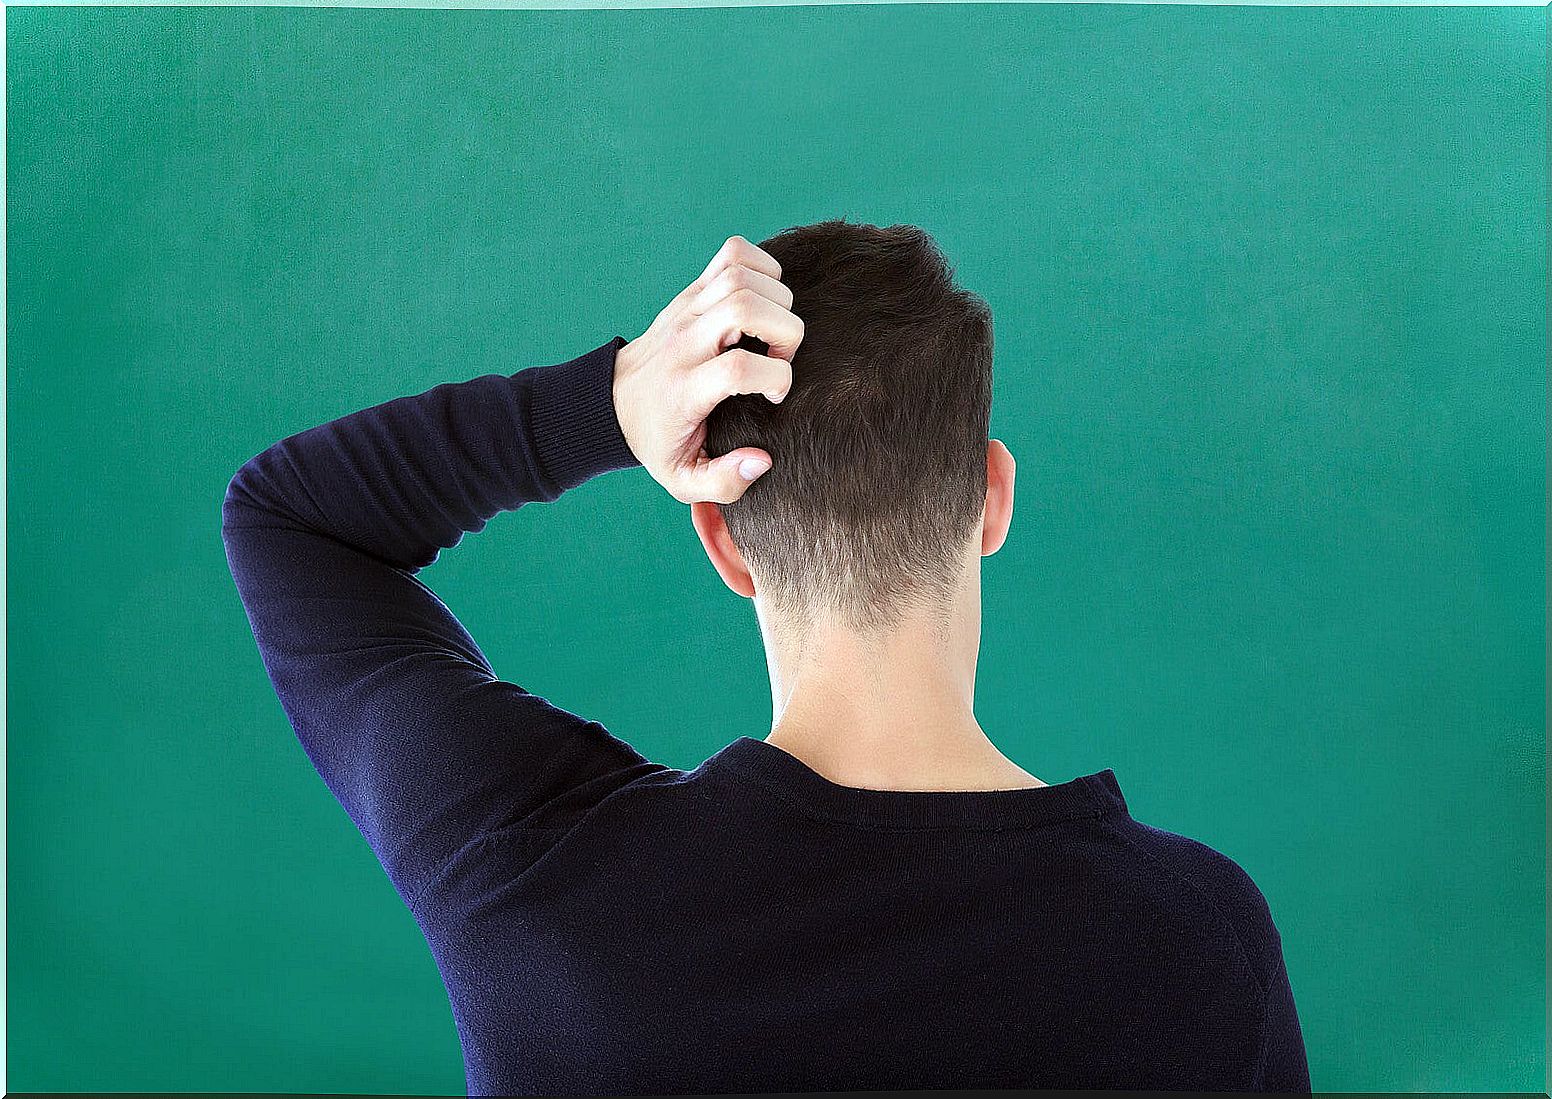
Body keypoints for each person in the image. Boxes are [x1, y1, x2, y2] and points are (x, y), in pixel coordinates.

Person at [222, 221, 1310, 1094]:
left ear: (722, 538)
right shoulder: (1198, 944)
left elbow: (291, 519)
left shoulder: (536, 878)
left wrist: (606, 405)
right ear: (991, 496)